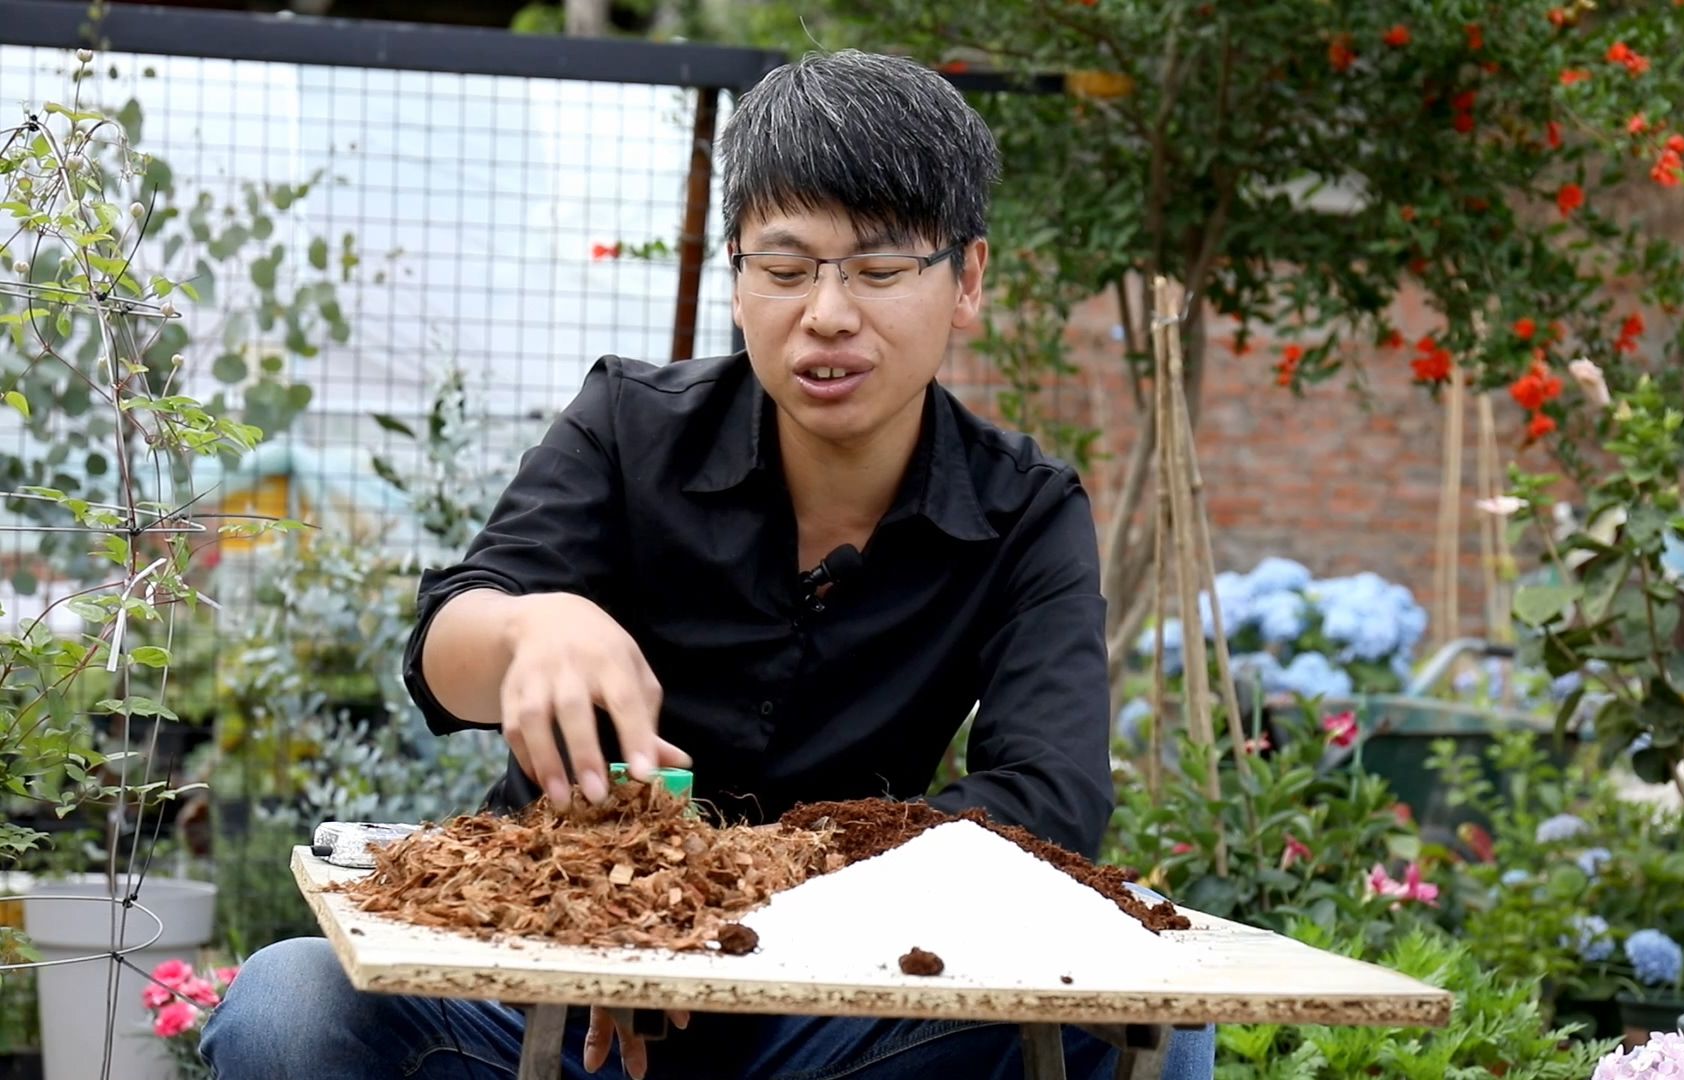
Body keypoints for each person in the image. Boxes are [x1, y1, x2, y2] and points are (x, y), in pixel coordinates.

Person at [201, 49, 1215, 1080]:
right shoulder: (627, 428)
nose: (826, 314)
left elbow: (1049, 802)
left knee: (1152, 1028)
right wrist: (528, 627)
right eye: (784, 269)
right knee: (290, 1006)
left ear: (968, 281)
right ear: (737, 276)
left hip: (839, 1009)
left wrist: (709, 900)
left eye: (877, 270)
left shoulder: (1025, 511)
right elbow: (444, 656)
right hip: (558, 989)